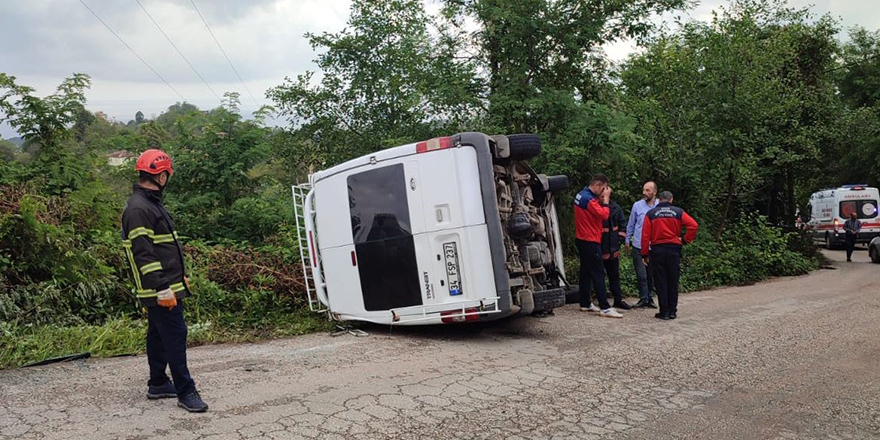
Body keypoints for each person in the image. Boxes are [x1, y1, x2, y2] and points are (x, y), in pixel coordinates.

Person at [121, 149, 208, 413]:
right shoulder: (139, 209)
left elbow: (165, 247)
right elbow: (143, 253)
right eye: (166, 175)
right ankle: (185, 390)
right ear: (160, 176)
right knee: (175, 334)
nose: (167, 179)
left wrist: (179, 275)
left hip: (168, 282)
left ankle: (158, 383)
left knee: (158, 334)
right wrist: (162, 288)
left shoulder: (151, 204)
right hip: (159, 287)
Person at [640, 191, 698, 320]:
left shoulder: (651, 214)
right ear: (671, 200)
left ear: (659, 200)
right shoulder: (678, 212)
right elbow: (693, 225)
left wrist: (644, 254)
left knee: (661, 281)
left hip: (657, 250)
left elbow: (645, 236)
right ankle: (672, 311)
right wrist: (685, 240)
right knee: (673, 280)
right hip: (673, 249)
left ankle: (664, 311)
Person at [574, 174, 623, 318]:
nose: (604, 192)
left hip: (581, 238)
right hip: (590, 240)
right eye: (603, 189)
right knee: (598, 273)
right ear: (596, 185)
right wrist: (606, 200)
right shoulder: (589, 200)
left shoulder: (580, 195)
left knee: (586, 272)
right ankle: (605, 307)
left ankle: (585, 302)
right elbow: (604, 214)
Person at [625, 181, 658, 309]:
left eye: (648, 190)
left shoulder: (660, 206)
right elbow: (631, 223)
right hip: (638, 245)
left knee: (651, 275)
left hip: (654, 246)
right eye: (644, 190)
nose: (644, 193)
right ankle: (643, 298)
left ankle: (649, 298)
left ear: (654, 192)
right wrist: (627, 239)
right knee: (641, 274)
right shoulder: (637, 206)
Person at [601, 188, 631, 310]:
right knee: (599, 276)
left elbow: (622, 226)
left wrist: (620, 241)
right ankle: (602, 301)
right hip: (600, 248)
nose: (603, 198)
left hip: (614, 248)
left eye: (605, 196)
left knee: (614, 276)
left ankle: (618, 300)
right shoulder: (596, 208)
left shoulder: (616, 208)